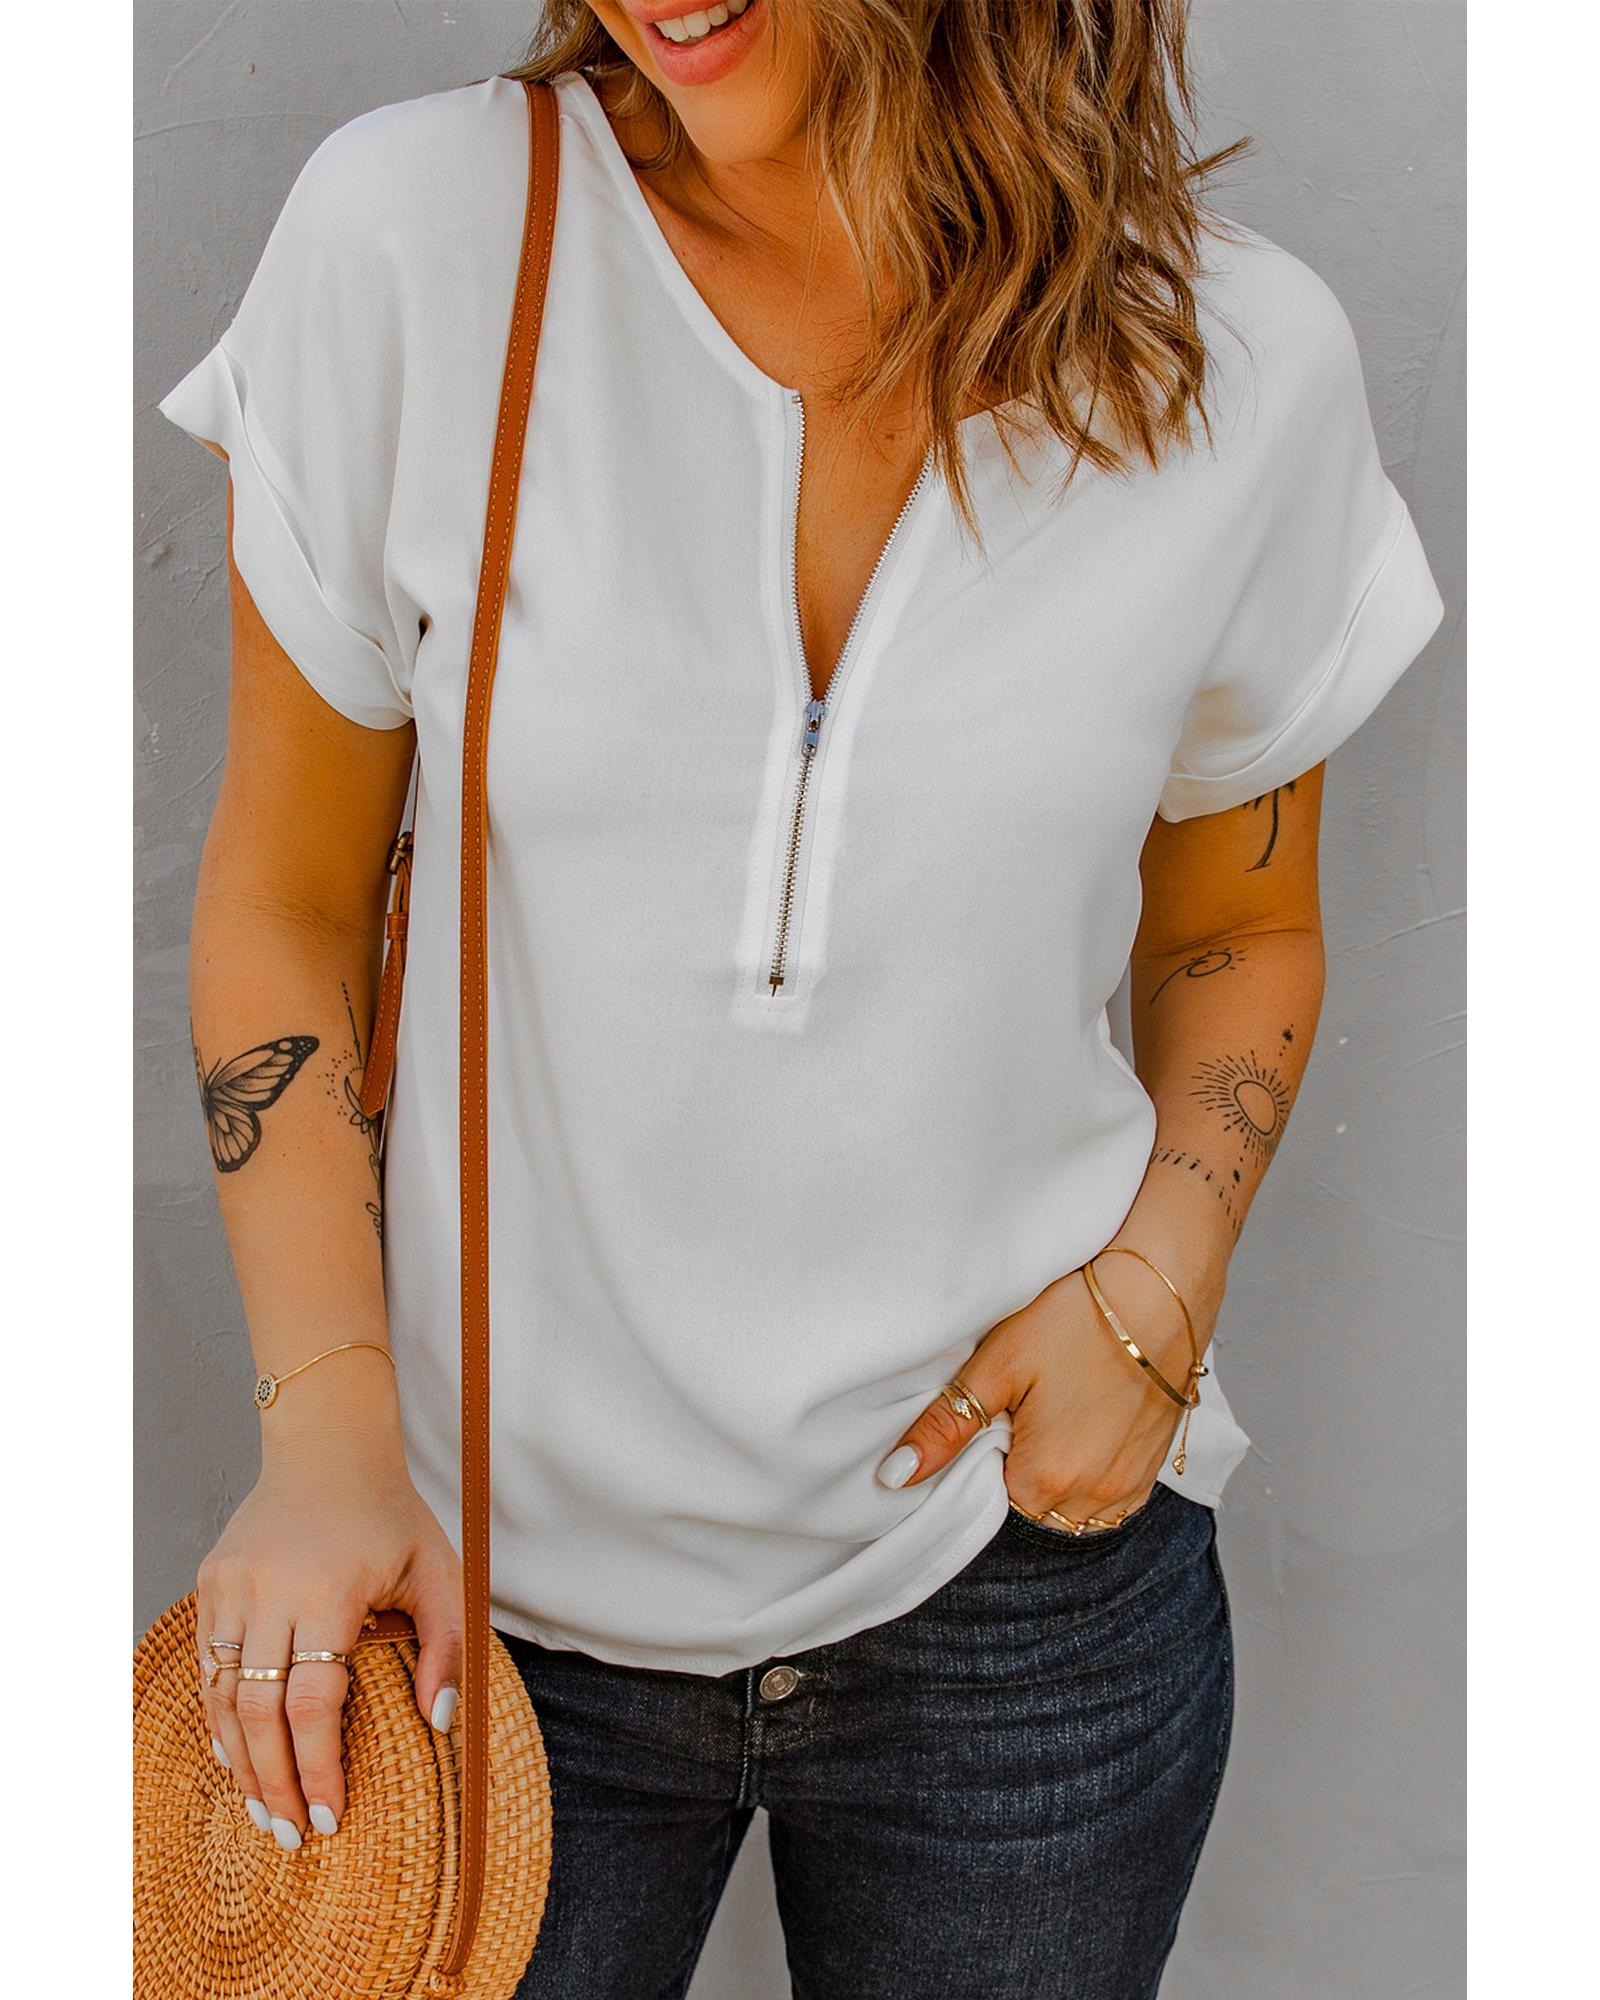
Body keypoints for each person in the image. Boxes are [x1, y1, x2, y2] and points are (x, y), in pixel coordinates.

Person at [155, 3, 1445, 1993]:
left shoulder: (1234, 363)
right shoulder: (421, 238)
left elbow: (1240, 926)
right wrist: (323, 1435)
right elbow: (283, 899)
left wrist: (1158, 1290)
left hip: (1020, 1606)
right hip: (474, 1596)